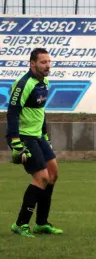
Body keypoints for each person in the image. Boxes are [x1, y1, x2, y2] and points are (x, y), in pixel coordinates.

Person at [6, 47, 62, 238]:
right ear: (32, 64)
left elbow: (40, 111)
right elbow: (12, 112)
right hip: (24, 136)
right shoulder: (23, 84)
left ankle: (41, 223)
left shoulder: (44, 82)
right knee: (42, 178)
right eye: (43, 62)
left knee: (53, 174)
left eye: (49, 62)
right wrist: (15, 141)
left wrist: (45, 135)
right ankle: (20, 224)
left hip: (38, 136)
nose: (47, 66)